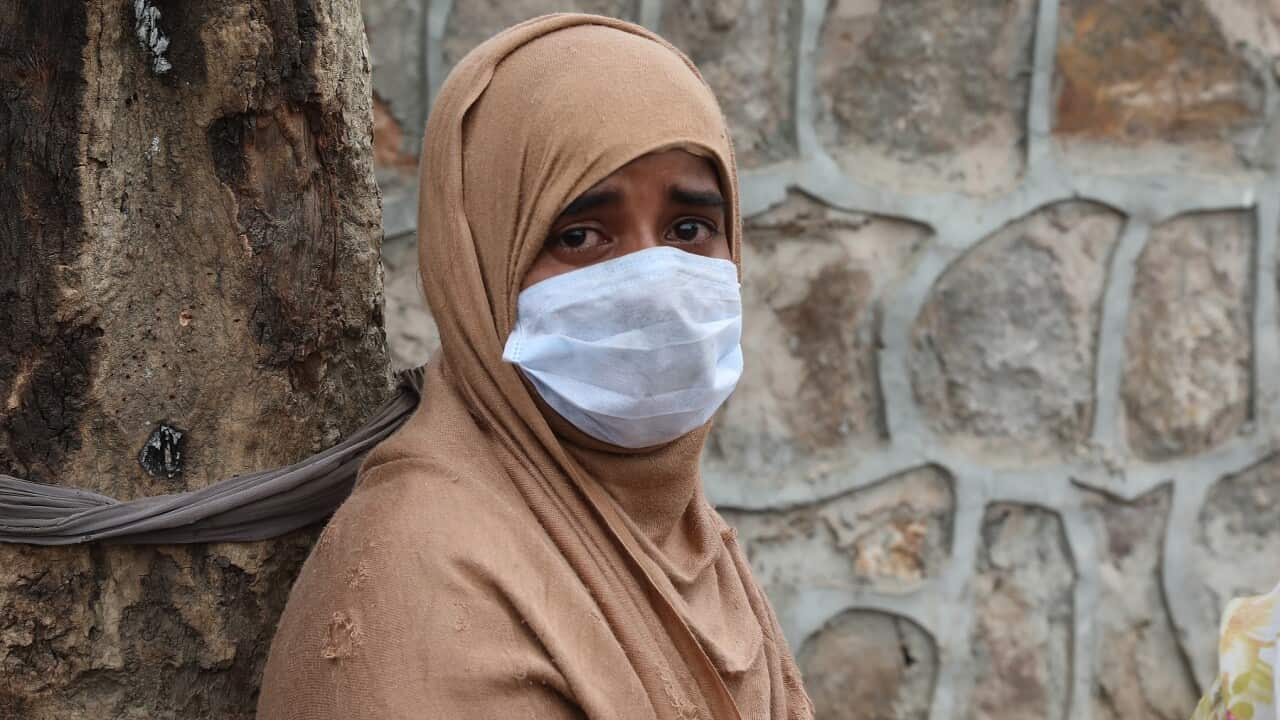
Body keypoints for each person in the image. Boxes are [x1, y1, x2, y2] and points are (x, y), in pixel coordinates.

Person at [256, 13, 814, 720]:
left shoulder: (686, 538)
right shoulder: (429, 578)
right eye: (580, 235)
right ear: (481, 269)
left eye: (688, 229)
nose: (651, 281)